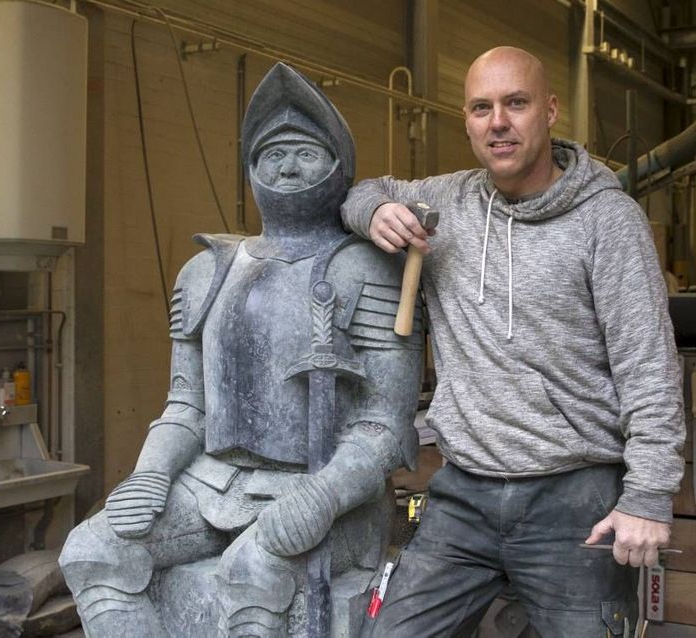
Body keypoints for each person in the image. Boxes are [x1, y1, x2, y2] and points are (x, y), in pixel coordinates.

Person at [60, 63, 424, 637]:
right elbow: (187, 406)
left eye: (306, 152)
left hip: (325, 495)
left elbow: (385, 423)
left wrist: (322, 498)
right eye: (271, 153)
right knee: (92, 550)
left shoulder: (368, 270)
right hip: (208, 483)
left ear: (339, 167)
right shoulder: (205, 271)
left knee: (251, 571)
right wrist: (150, 475)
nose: (286, 166)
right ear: (250, 167)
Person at [341, 46, 685, 636]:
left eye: (515, 103)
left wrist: (648, 496)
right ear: (468, 120)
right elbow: (364, 188)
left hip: (575, 503)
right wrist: (373, 210)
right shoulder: (448, 199)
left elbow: (649, 367)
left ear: (550, 111)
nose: (497, 121)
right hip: (463, 497)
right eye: (481, 108)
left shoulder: (608, 220)